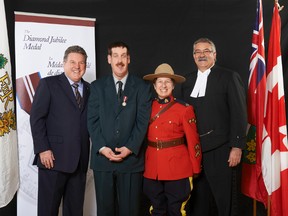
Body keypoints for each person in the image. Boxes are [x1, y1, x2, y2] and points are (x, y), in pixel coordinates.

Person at [181, 37, 247, 216]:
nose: (202, 55)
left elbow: (239, 113)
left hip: (222, 150)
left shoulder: (229, 77)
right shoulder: (186, 81)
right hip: (195, 152)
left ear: (214, 55)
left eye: (206, 51)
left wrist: (237, 146)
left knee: (225, 201)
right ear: (193, 56)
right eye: (198, 52)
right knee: (198, 202)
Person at [87, 41, 152, 216]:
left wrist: (130, 148)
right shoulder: (97, 87)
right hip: (103, 160)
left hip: (131, 161)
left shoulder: (142, 87)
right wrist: (101, 148)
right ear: (109, 59)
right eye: (115, 56)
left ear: (129, 59)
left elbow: (142, 122)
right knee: (105, 211)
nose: (120, 60)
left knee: (130, 211)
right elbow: (92, 121)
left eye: (123, 56)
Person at [30, 45, 90, 216]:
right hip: (53, 160)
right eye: (72, 62)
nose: (77, 66)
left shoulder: (90, 89)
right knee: (48, 210)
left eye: (81, 63)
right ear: (64, 63)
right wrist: (43, 148)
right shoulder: (48, 84)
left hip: (79, 162)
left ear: (85, 66)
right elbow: (36, 118)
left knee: (75, 211)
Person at [142, 63, 202, 216]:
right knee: (156, 209)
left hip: (178, 169)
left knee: (177, 210)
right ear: (154, 86)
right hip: (152, 168)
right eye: (160, 82)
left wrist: (195, 168)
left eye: (167, 81)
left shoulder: (184, 109)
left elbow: (193, 140)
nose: (163, 85)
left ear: (173, 85)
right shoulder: (146, 108)